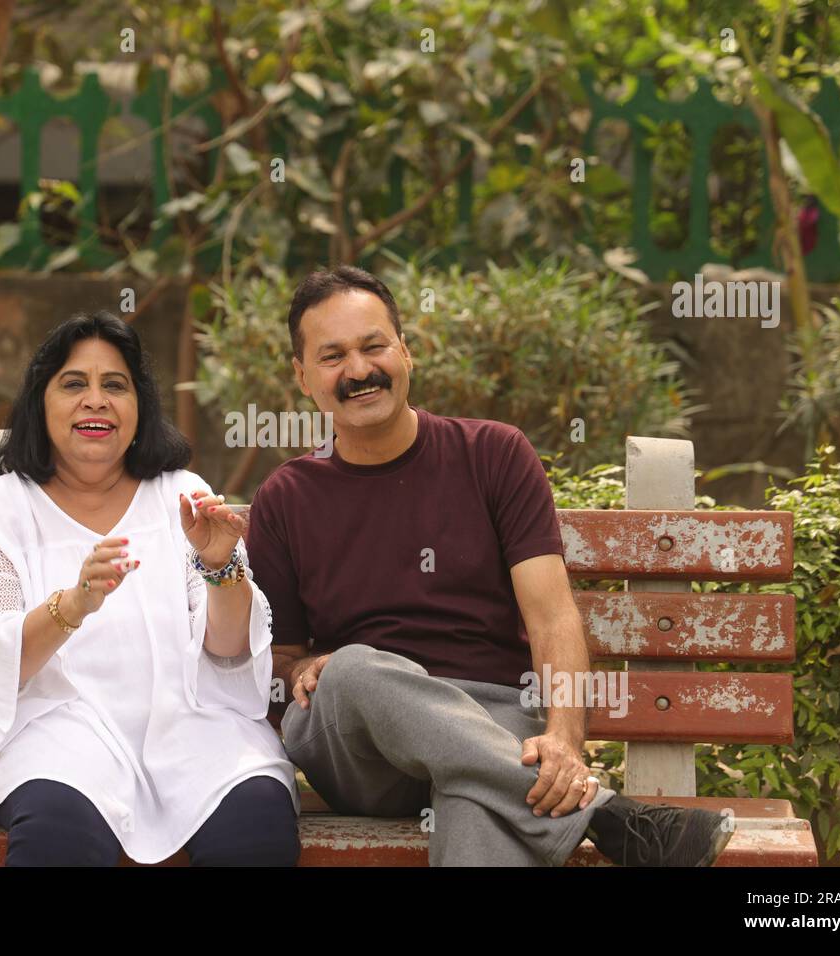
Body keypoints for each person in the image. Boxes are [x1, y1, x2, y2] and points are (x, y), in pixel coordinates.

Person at [244, 265, 733, 867]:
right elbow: (279, 661)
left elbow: (553, 616)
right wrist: (309, 667)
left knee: (482, 800)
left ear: (406, 351)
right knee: (351, 672)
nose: (359, 370)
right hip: (361, 749)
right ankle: (607, 814)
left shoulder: (495, 455)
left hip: (494, 719)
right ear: (301, 376)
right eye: (332, 356)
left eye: (374, 346)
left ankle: (542, 789)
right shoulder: (286, 498)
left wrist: (562, 740)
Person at [0, 310, 300, 867]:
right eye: (74, 384)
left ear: (138, 408)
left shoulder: (182, 495)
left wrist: (220, 564)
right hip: (52, 737)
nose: (96, 400)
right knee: (60, 836)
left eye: (115, 386)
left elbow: (226, 649)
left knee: (257, 825)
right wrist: (73, 605)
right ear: (41, 403)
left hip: (190, 730)